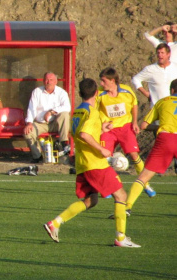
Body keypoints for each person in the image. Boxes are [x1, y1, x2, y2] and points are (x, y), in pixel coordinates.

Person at [43, 78, 140, 248]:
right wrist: (102, 150)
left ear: (80, 94)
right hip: (96, 163)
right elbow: (84, 135)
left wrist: (101, 130)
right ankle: (121, 237)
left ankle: (55, 223)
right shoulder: (93, 112)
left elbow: (78, 132)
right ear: (96, 93)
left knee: (91, 200)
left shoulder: (78, 112)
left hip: (82, 164)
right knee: (121, 196)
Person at [96, 67, 155, 198]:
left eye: (103, 81)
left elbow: (134, 104)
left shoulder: (126, 91)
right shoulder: (99, 94)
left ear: (112, 81)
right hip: (109, 130)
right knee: (103, 158)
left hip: (125, 128)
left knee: (134, 155)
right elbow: (93, 109)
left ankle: (145, 185)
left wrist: (134, 122)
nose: (101, 84)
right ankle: (106, 189)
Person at [125, 79, 177, 214]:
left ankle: (127, 207)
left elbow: (143, 125)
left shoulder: (163, 101)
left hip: (165, 139)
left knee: (143, 177)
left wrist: (161, 126)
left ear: (172, 90)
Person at [24, 72, 71, 163]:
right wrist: (29, 123)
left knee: (65, 114)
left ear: (56, 82)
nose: (48, 82)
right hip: (40, 123)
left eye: (51, 80)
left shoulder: (62, 93)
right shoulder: (37, 91)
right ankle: (38, 157)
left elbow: (67, 107)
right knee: (27, 132)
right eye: (46, 80)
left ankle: (63, 144)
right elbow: (31, 109)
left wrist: (51, 111)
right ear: (43, 81)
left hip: (55, 123)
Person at [132, 43, 177, 107]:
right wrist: (146, 93)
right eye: (158, 53)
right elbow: (135, 79)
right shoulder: (150, 69)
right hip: (157, 107)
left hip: (173, 107)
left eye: (162, 53)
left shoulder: (175, 67)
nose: (160, 55)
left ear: (168, 54)